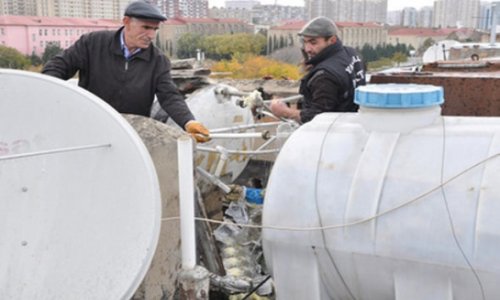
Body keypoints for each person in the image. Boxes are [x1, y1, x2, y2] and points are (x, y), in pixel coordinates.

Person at [42, 1, 209, 142]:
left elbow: (169, 96)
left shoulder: (157, 61)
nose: (151, 35)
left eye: (155, 29)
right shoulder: (92, 44)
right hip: (88, 129)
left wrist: (188, 122)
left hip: (130, 135)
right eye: (145, 27)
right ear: (126, 21)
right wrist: (54, 100)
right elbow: (57, 68)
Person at [270, 16, 366, 124]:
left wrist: (285, 111)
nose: (307, 49)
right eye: (305, 42)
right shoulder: (353, 54)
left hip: (333, 132)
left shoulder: (324, 76)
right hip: (354, 122)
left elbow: (318, 118)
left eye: (313, 42)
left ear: (332, 40)